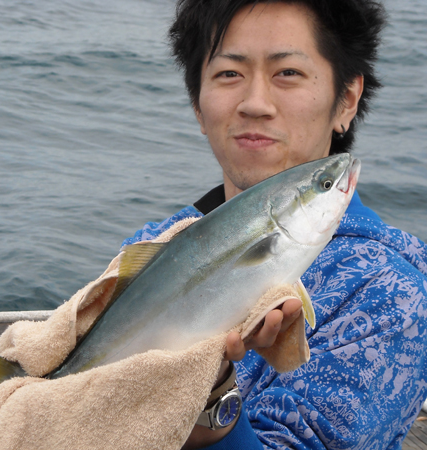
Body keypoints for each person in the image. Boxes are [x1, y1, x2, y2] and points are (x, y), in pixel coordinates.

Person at [122, 0, 427, 449]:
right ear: (196, 104)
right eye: (229, 73)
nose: (255, 103)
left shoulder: (392, 293)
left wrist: (209, 396)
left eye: (287, 73)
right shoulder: (153, 244)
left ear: (346, 99)